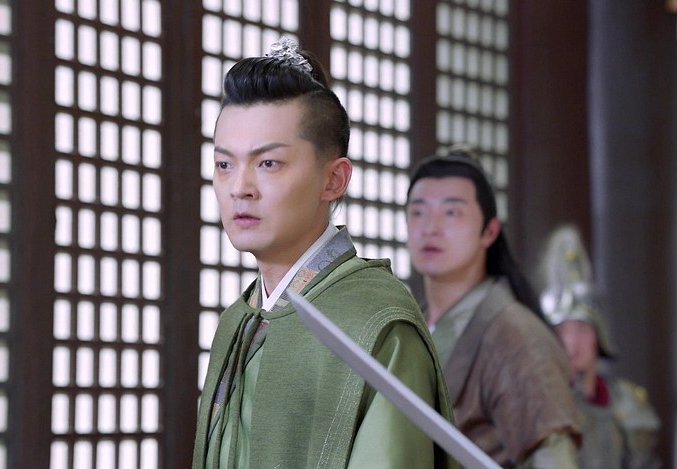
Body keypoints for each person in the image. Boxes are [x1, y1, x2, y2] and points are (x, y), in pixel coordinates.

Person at [192, 38, 456, 468]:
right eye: (225, 165)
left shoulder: (375, 324)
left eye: (268, 163)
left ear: (334, 179)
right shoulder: (238, 321)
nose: (239, 187)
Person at [405, 145, 580, 467]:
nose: (430, 227)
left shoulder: (517, 336)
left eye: (451, 212)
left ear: (489, 231)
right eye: (418, 212)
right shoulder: (413, 323)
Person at [538, 224, 661, 469]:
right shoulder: (538, 404)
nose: (571, 343)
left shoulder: (628, 404)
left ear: (599, 336)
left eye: (582, 329)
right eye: (562, 332)